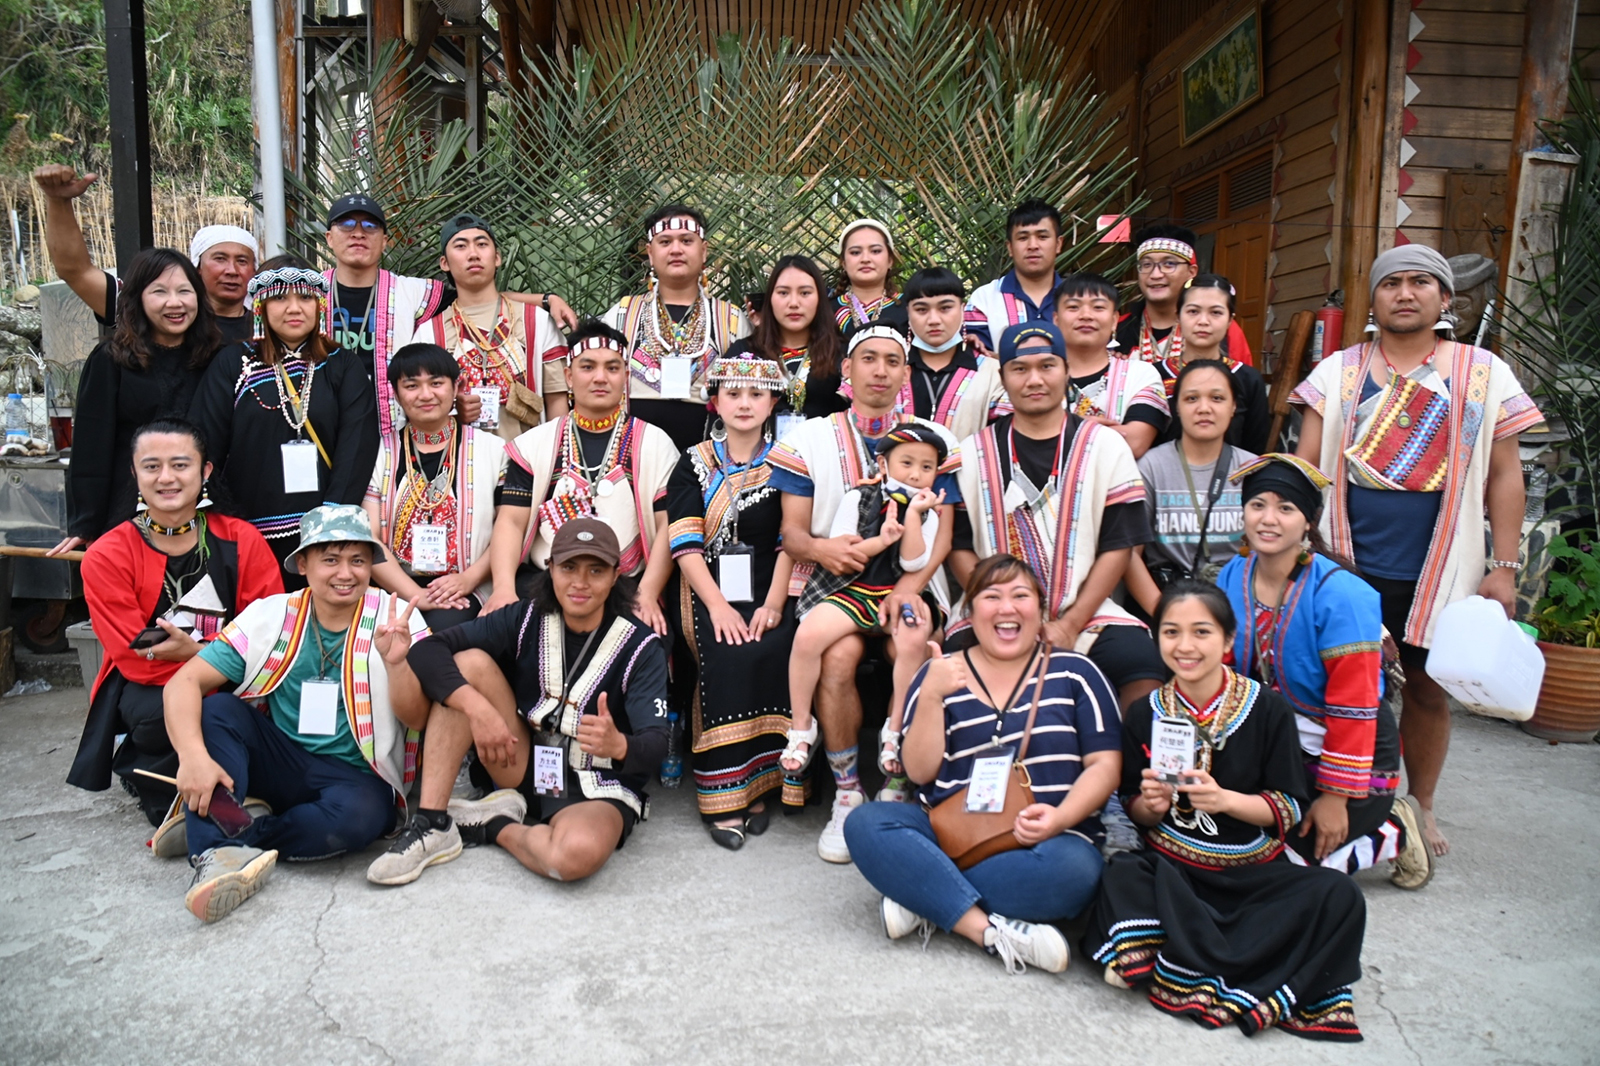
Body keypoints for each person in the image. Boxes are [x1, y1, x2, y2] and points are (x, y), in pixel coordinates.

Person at [1293, 243, 1544, 855]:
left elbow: (1506, 476)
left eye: (1419, 282)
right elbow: (1304, 466)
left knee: (1429, 692)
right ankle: (1338, 799)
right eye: (1391, 283)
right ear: (1373, 299)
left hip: (1442, 566)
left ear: (1445, 298)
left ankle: (1420, 806)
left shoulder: (1483, 372)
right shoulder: (1338, 373)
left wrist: (1504, 568)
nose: (1404, 293)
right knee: (1340, 686)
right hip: (1346, 563)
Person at [1084, 581, 1366, 1042]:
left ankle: (1176, 956)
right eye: (1171, 632)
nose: (1185, 646)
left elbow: (1290, 807)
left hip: (1251, 873)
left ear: (1228, 639)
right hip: (1173, 872)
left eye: (1201, 632)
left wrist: (1226, 801)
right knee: (1121, 874)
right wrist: (1151, 806)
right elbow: (1134, 807)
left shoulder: (1267, 708)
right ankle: (1223, 951)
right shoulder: (1144, 713)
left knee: (1340, 895)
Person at [845, 555, 1121, 975]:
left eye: (1020, 596)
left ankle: (924, 894)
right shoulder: (939, 673)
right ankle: (988, 933)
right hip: (951, 835)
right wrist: (932, 695)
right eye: (992, 597)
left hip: (1048, 841)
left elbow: (1104, 765)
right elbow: (919, 772)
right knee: (866, 824)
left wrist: (1061, 818)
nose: (1007, 608)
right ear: (970, 613)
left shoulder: (1076, 673)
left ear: (1040, 610)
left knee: (1077, 872)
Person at [162, 505, 431, 921]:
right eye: (331, 560)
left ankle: (233, 826)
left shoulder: (395, 619)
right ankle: (215, 852)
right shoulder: (271, 615)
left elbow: (418, 719)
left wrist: (396, 664)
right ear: (303, 564)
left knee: (362, 818)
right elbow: (183, 682)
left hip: (354, 777)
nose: (346, 573)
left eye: (358, 560)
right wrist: (192, 758)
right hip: (282, 760)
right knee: (218, 709)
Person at [369, 518, 669, 886]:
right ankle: (432, 823)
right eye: (569, 567)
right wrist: (479, 709)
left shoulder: (641, 647)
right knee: (468, 665)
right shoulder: (526, 616)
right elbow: (430, 650)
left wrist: (619, 745)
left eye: (596, 570)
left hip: (598, 783)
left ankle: (493, 825)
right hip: (524, 763)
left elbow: (657, 742)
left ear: (615, 576)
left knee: (573, 856)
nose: (580, 582)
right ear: (550, 569)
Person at [770, 323, 961, 862]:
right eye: (868, 359)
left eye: (893, 361)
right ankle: (848, 789)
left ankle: (899, 782)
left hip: (914, 581)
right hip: (839, 583)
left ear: (906, 373)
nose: (880, 370)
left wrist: (908, 588)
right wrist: (824, 550)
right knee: (835, 657)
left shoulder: (934, 440)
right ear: (847, 370)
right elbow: (793, 534)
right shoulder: (809, 438)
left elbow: (943, 537)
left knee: (913, 644)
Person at [1217, 454, 1433, 888]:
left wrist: (1335, 797)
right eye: (1257, 505)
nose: (1268, 519)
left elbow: (1355, 703)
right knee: (1224, 843)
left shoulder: (1342, 594)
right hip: (1277, 745)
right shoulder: (1231, 575)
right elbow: (1223, 673)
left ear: (1308, 521)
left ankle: (1393, 827)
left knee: (1278, 872)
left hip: (1353, 755)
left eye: (1285, 508)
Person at [66, 419, 283, 835]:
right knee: (182, 712)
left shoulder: (243, 539)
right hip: (152, 685)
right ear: (134, 473)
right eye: (152, 466)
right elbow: (136, 656)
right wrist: (214, 665)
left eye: (180, 465)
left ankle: (203, 801)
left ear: (205, 471)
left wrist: (197, 654)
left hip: (242, 675)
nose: (166, 477)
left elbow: (271, 631)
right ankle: (210, 803)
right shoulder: (107, 554)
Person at [949, 322, 1165, 711]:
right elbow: (958, 546)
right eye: (1020, 368)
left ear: (1066, 371)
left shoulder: (1105, 446)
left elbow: (1119, 546)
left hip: (1086, 612)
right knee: (950, 669)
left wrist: (1069, 624)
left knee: (1141, 666)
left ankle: (1121, 754)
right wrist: (998, 605)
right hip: (991, 610)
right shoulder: (971, 454)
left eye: (1047, 366)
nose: (1034, 379)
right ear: (1003, 378)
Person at [666, 354, 800, 846]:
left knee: (776, 645)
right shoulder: (693, 462)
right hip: (704, 585)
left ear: (773, 402)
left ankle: (760, 785)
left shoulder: (788, 461)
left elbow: (791, 540)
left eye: (756, 394)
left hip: (769, 584)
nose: (744, 403)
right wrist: (718, 606)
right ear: (716, 401)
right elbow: (685, 545)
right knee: (727, 652)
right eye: (734, 393)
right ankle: (724, 796)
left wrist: (775, 604)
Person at [318, 193, 576, 440]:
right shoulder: (309, 294)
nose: (358, 233)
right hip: (326, 428)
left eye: (370, 226)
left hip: (391, 437)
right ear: (329, 237)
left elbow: (478, 296)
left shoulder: (411, 292)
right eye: (347, 224)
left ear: (385, 240)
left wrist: (546, 300)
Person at [189, 257, 380, 579]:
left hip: (323, 535)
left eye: (305, 297)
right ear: (260, 306)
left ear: (319, 305)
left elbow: (357, 444)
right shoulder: (234, 363)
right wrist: (224, 522)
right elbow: (206, 445)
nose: (294, 308)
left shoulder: (341, 365)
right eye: (279, 298)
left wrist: (331, 520)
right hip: (248, 531)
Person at [783, 424, 947, 791]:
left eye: (926, 467)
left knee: (914, 640)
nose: (916, 474)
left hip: (901, 593)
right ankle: (801, 725)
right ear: (883, 465)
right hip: (854, 588)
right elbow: (848, 553)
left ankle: (895, 728)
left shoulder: (929, 513)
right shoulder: (858, 497)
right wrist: (882, 539)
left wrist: (913, 518)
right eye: (906, 463)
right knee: (808, 636)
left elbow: (913, 563)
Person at [488, 322, 678, 638]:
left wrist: (647, 593)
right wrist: (503, 588)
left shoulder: (655, 444)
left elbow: (667, 526)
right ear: (568, 376)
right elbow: (511, 521)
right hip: (546, 582)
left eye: (612, 368)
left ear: (625, 377)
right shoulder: (534, 445)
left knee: (649, 640)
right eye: (587, 367)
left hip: (625, 584)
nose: (600, 377)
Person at [53, 248, 224, 556]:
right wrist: (86, 523)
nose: (175, 302)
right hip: (130, 509)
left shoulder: (218, 357)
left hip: (206, 511)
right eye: (160, 292)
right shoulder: (111, 360)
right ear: (137, 299)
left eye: (184, 291)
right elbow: (92, 447)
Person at [363, 343, 508, 631]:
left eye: (436, 383)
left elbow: (510, 530)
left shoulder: (494, 450)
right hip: (396, 589)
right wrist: (415, 594)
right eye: (411, 386)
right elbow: (369, 538)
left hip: (470, 587)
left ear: (456, 388)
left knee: (444, 629)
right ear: (396, 394)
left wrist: (468, 580)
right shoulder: (379, 453)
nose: (426, 394)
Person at [32, 164, 259, 344]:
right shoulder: (156, 311)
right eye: (220, 259)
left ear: (255, 271)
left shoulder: (267, 327)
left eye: (242, 261)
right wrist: (59, 201)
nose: (231, 270)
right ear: (196, 267)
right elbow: (76, 271)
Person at [603, 205, 750, 450]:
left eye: (686, 240)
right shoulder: (622, 315)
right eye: (665, 242)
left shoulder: (731, 321)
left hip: (709, 460)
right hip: (632, 458)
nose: (676, 249)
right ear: (650, 253)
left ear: (703, 251)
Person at [417, 213, 571, 439]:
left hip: (527, 456)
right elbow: (418, 412)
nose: (473, 254)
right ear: (445, 263)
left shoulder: (536, 322)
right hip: (461, 458)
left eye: (481, 244)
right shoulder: (429, 335)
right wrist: (453, 412)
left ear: (497, 257)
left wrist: (556, 456)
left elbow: (557, 402)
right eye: (460, 246)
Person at [1125, 359, 1257, 620]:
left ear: (1233, 406)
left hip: (1239, 610)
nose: (1204, 408)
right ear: (1176, 407)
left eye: (1217, 398)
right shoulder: (1150, 467)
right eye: (1191, 398)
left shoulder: (1254, 469)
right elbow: (1129, 556)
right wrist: (1166, 617)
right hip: (1166, 603)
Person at [722, 254, 847, 433]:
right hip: (758, 450)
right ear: (770, 299)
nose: (794, 303)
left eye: (805, 293)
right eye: (783, 293)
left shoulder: (841, 353)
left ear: (820, 298)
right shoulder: (744, 353)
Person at [1152, 275, 1271, 454]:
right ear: (1178, 316)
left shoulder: (1248, 379)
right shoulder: (1153, 375)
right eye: (1193, 311)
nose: (1203, 321)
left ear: (1230, 320)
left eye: (1215, 312)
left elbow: (1255, 448)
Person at [1055, 273, 1169, 459]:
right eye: (1073, 307)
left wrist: (1058, 428)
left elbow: (1135, 443)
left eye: (1098, 307)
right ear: (1056, 320)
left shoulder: (1141, 374)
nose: (1086, 315)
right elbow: (1019, 438)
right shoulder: (1036, 375)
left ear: (1115, 320)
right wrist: (1101, 430)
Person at [891, 267, 1007, 441]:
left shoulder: (994, 374)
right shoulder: (888, 370)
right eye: (921, 310)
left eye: (945, 308)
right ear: (908, 312)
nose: (934, 320)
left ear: (962, 309)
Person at [1114, 223, 1254, 366]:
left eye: (1169, 264)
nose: (1155, 274)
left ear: (1191, 272)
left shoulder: (1219, 327)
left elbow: (1242, 377)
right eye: (1147, 265)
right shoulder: (1116, 329)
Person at [963, 198, 1066, 354]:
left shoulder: (1077, 299)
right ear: (1010, 247)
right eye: (1023, 238)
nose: (1033, 245)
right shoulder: (984, 299)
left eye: (1042, 237)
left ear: (1058, 244)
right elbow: (976, 360)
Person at [830, 218, 900, 331]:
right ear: (844, 263)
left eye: (875, 251)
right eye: (855, 252)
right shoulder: (825, 311)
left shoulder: (911, 308)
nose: (865, 259)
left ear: (890, 260)